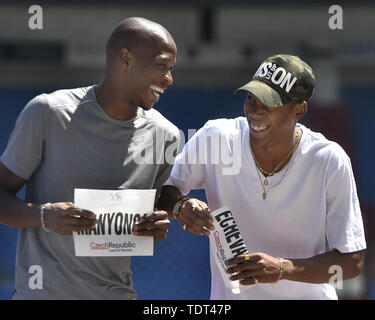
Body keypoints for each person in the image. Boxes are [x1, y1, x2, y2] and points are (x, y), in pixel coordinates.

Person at [158, 54, 366, 300]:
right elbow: (163, 189)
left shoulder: (328, 160)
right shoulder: (216, 139)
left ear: (299, 109)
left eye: (270, 103)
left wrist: (282, 268)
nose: (255, 112)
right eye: (251, 98)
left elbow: (352, 262)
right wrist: (180, 206)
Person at [0, 17, 179, 299]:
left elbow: (157, 204)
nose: (169, 79)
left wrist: (158, 220)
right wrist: (44, 216)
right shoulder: (48, 113)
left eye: (171, 69)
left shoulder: (166, 135)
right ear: (125, 59)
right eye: (162, 66)